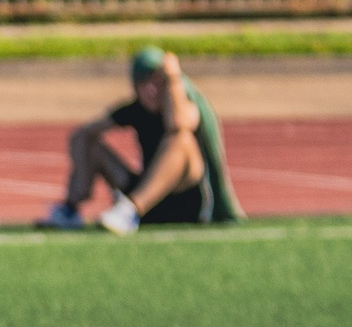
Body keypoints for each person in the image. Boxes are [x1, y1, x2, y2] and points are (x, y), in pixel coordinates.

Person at [39, 46, 244, 234]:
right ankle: (70, 211)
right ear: (136, 86)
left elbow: (178, 124)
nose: (153, 89)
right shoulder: (135, 110)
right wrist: (81, 185)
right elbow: (81, 135)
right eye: (145, 83)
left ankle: (129, 210)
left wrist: (173, 78)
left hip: (185, 205)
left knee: (181, 139)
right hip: (150, 205)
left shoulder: (184, 106)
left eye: (158, 81)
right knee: (90, 143)